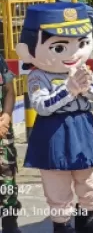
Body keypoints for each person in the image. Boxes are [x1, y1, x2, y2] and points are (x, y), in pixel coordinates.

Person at [17, 2, 93, 233]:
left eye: (82, 44)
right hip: (53, 131)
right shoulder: (37, 76)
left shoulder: (81, 69)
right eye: (60, 47)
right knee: (57, 181)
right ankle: (62, 225)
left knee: (88, 175)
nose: (74, 53)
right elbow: (41, 106)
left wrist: (85, 85)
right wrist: (69, 89)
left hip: (82, 126)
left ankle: (88, 218)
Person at [0, 53, 21, 233]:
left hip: (2, 132)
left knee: (7, 176)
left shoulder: (0, 61)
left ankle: (9, 222)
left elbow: (9, 90)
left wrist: (6, 117)